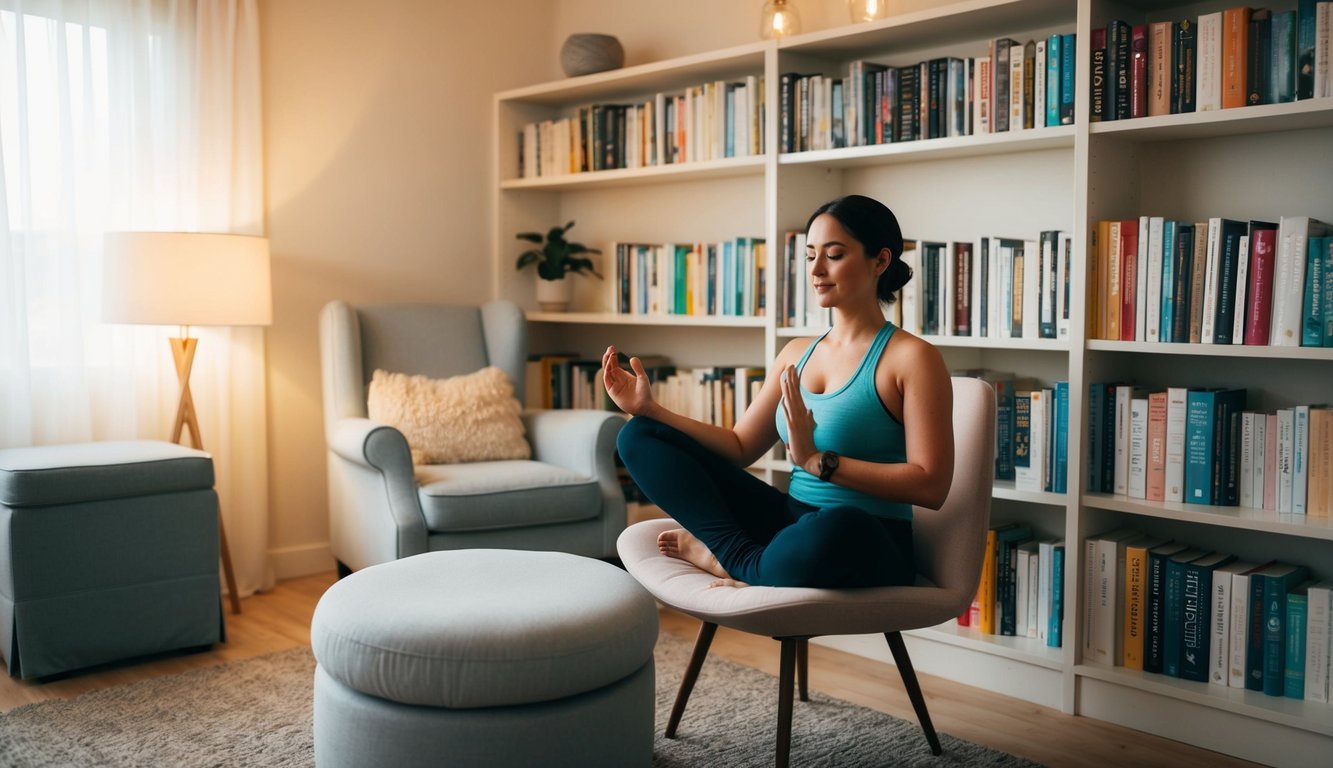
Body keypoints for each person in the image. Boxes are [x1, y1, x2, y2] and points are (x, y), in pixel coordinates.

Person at [602, 194, 954, 589]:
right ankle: (737, 553)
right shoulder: (797, 353)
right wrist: (651, 410)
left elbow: (932, 485)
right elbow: (740, 446)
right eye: (809, 256)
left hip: (864, 538)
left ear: (881, 261)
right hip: (791, 521)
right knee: (639, 435)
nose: (817, 270)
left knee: (836, 526)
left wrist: (817, 460)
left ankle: (734, 560)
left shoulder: (912, 358)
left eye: (834, 255)